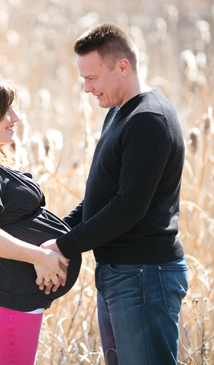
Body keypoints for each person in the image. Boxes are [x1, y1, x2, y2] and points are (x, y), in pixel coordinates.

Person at [42, 23, 188, 364]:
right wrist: (57, 233)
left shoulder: (148, 119)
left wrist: (64, 246)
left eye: (92, 78)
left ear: (123, 66)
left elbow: (128, 207)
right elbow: (103, 196)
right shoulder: (119, 113)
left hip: (144, 276)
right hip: (120, 273)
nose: (86, 88)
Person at [0, 74, 82, 364]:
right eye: (6, 111)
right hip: (3, 299)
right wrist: (39, 257)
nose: (16, 117)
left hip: (7, 297)